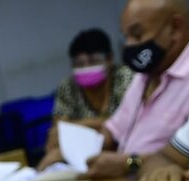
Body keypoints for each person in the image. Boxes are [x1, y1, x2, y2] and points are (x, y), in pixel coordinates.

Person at [59, 0, 189, 181]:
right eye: (126, 37)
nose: (130, 46)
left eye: (138, 35)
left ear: (175, 27)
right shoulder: (150, 75)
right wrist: (159, 175)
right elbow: (164, 156)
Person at [38, 28, 134, 171]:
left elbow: (128, 122)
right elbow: (60, 129)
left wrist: (80, 124)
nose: (86, 68)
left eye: (93, 61)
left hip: (124, 151)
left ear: (109, 59)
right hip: (81, 153)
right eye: (79, 64)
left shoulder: (126, 78)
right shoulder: (68, 87)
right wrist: (97, 125)